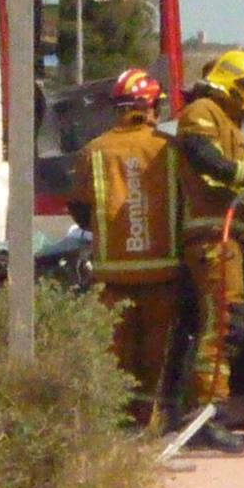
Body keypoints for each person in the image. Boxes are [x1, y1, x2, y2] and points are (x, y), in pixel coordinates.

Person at [176, 49, 244, 452]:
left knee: (227, 323)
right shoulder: (203, 111)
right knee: (224, 324)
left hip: (228, 239)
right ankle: (207, 416)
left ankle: (209, 411)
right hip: (212, 237)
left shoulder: (229, 123)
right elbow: (202, 157)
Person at [68, 68, 180, 427]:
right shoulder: (168, 147)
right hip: (163, 274)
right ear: (151, 107)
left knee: (117, 359)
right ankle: (150, 425)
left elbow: (82, 211)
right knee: (156, 361)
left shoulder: (94, 151)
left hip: (112, 277)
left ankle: (119, 426)